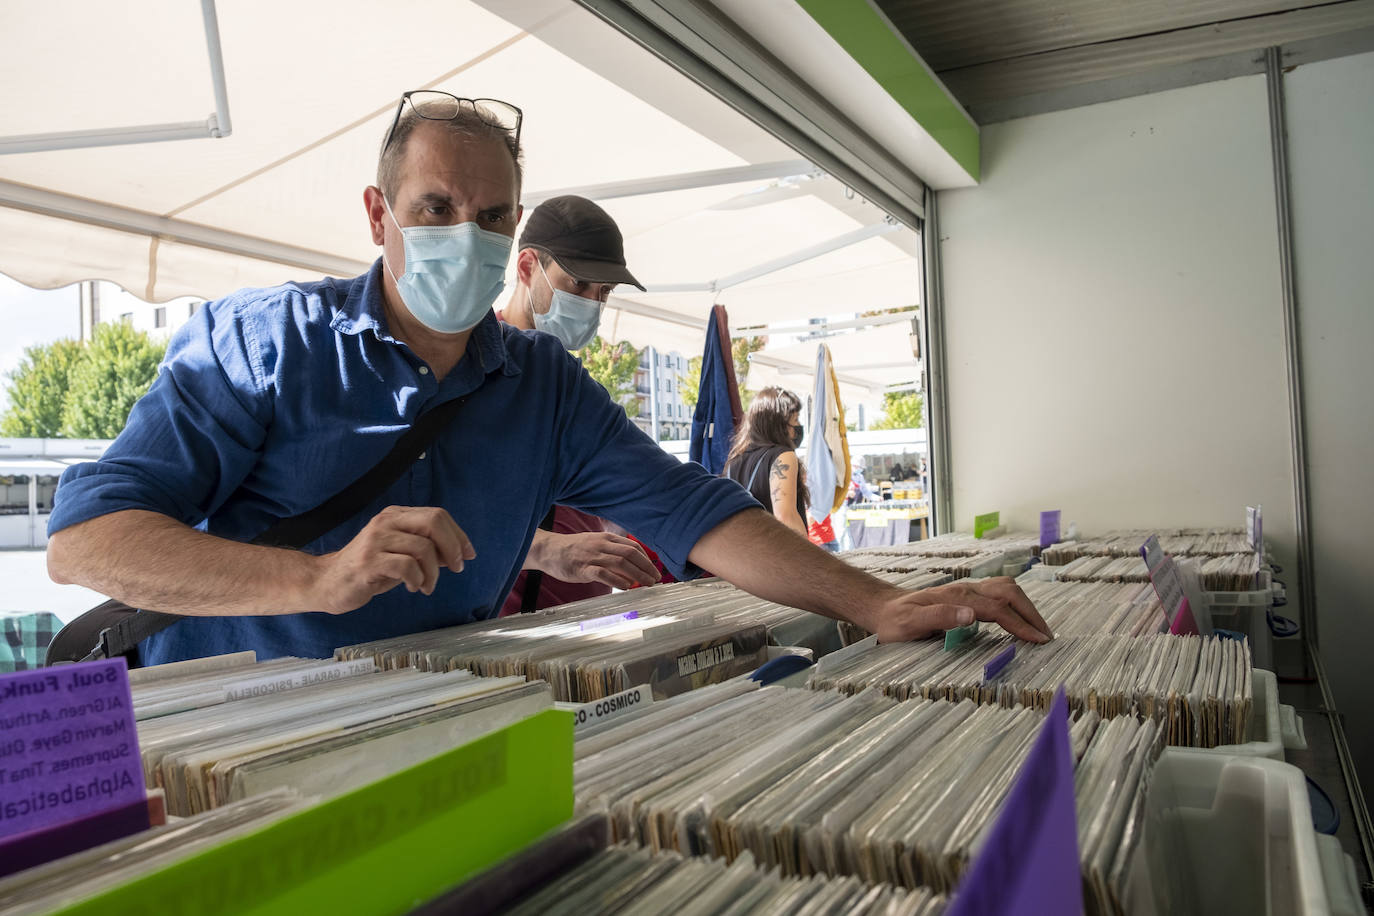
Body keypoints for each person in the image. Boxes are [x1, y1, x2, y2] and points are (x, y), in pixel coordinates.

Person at [45, 91, 1053, 665]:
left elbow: (695, 510)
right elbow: (86, 542)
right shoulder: (263, 344)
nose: (465, 235)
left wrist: (877, 604)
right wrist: (316, 579)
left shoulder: (543, 386)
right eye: (435, 208)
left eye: (491, 218)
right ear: (378, 215)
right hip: (228, 745)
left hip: (425, 721)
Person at [494, 195, 659, 614]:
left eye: (604, 291)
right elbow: (439, 513)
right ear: (527, 267)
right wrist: (548, 549)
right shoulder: (474, 370)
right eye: (579, 284)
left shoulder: (574, 386)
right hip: (504, 630)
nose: (592, 303)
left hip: (584, 624)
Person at [722, 388, 809, 538]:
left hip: (743, 549)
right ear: (778, 424)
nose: (798, 427)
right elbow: (785, 516)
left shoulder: (734, 461)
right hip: (777, 548)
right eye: (795, 420)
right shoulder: (783, 456)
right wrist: (807, 551)